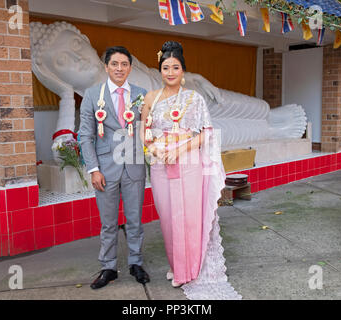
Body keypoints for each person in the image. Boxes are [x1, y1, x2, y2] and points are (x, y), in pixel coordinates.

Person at [140, 41, 242, 299]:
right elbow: (144, 133)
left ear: (183, 70)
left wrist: (180, 149)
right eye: (165, 67)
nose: (170, 72)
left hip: (189, 165)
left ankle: (192, 270)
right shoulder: (150, 98)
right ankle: (178, 266)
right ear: (159, 70)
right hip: (161, 166)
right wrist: (155, 150)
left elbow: (206, 133)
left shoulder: (194, 99)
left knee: (189, 218)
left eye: (176, 67)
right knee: (168, 218)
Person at [79, 46, 150, 289]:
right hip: (105, 169)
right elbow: (85, 135)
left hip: (134, 166)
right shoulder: (91, 95)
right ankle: (108, 267)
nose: (119, 68)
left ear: (130, 67)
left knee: (135, 220)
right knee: (108, 222)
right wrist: (93, 169)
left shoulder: (142, 94)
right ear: (106, 67)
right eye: (114, 64)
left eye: (124, 64)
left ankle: (136, 263)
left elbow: (148, 130)